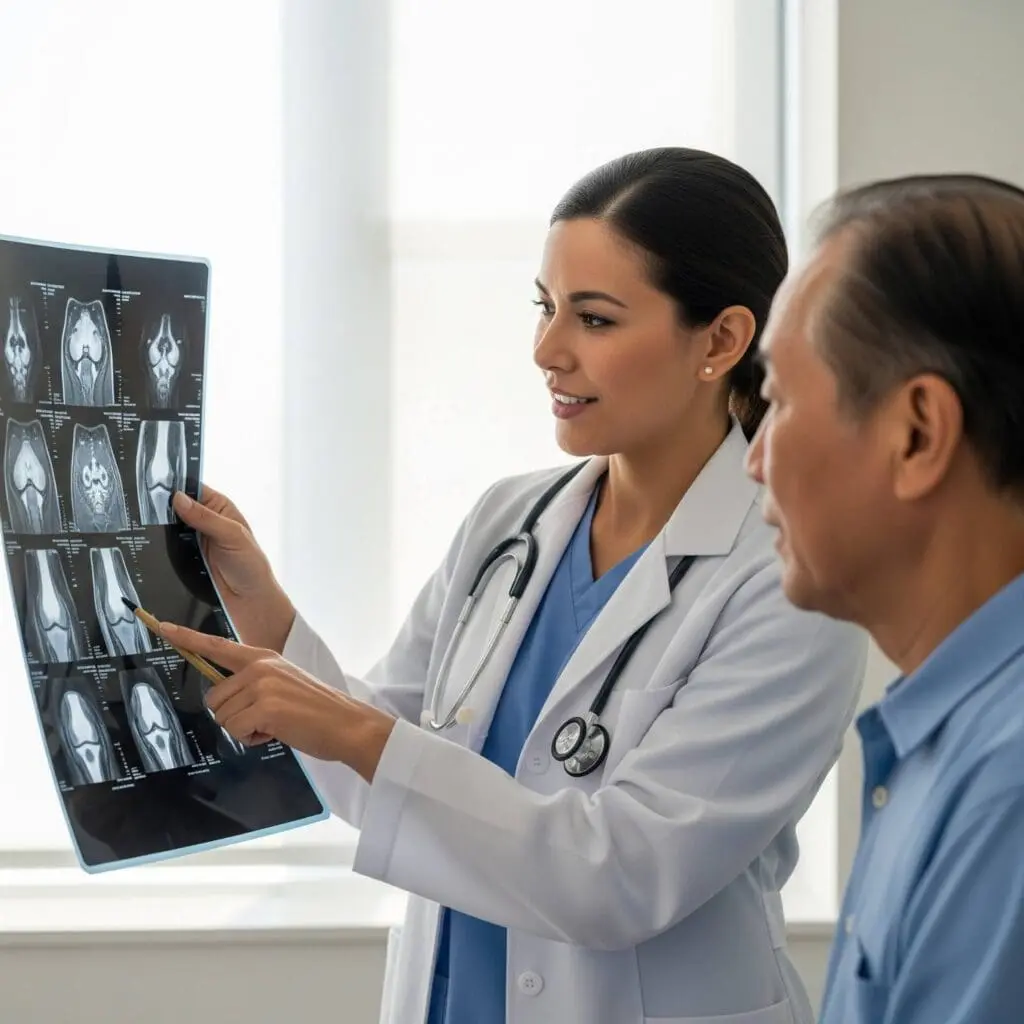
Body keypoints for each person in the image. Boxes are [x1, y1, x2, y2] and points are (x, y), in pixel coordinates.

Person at [160, 148, 868, 1024]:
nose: (546, 351)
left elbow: (623, 877)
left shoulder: (791, 578)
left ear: (721, 340)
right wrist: (259, 605)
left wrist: (355, 728)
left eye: (595, 320)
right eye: (545, 308)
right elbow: (367, 770)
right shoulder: (511, 523)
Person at [745, 172, 1024, 1024]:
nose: (755, 460)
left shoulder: (1007, 788)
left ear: (917, 435)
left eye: (780, 402)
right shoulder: (945, 737)